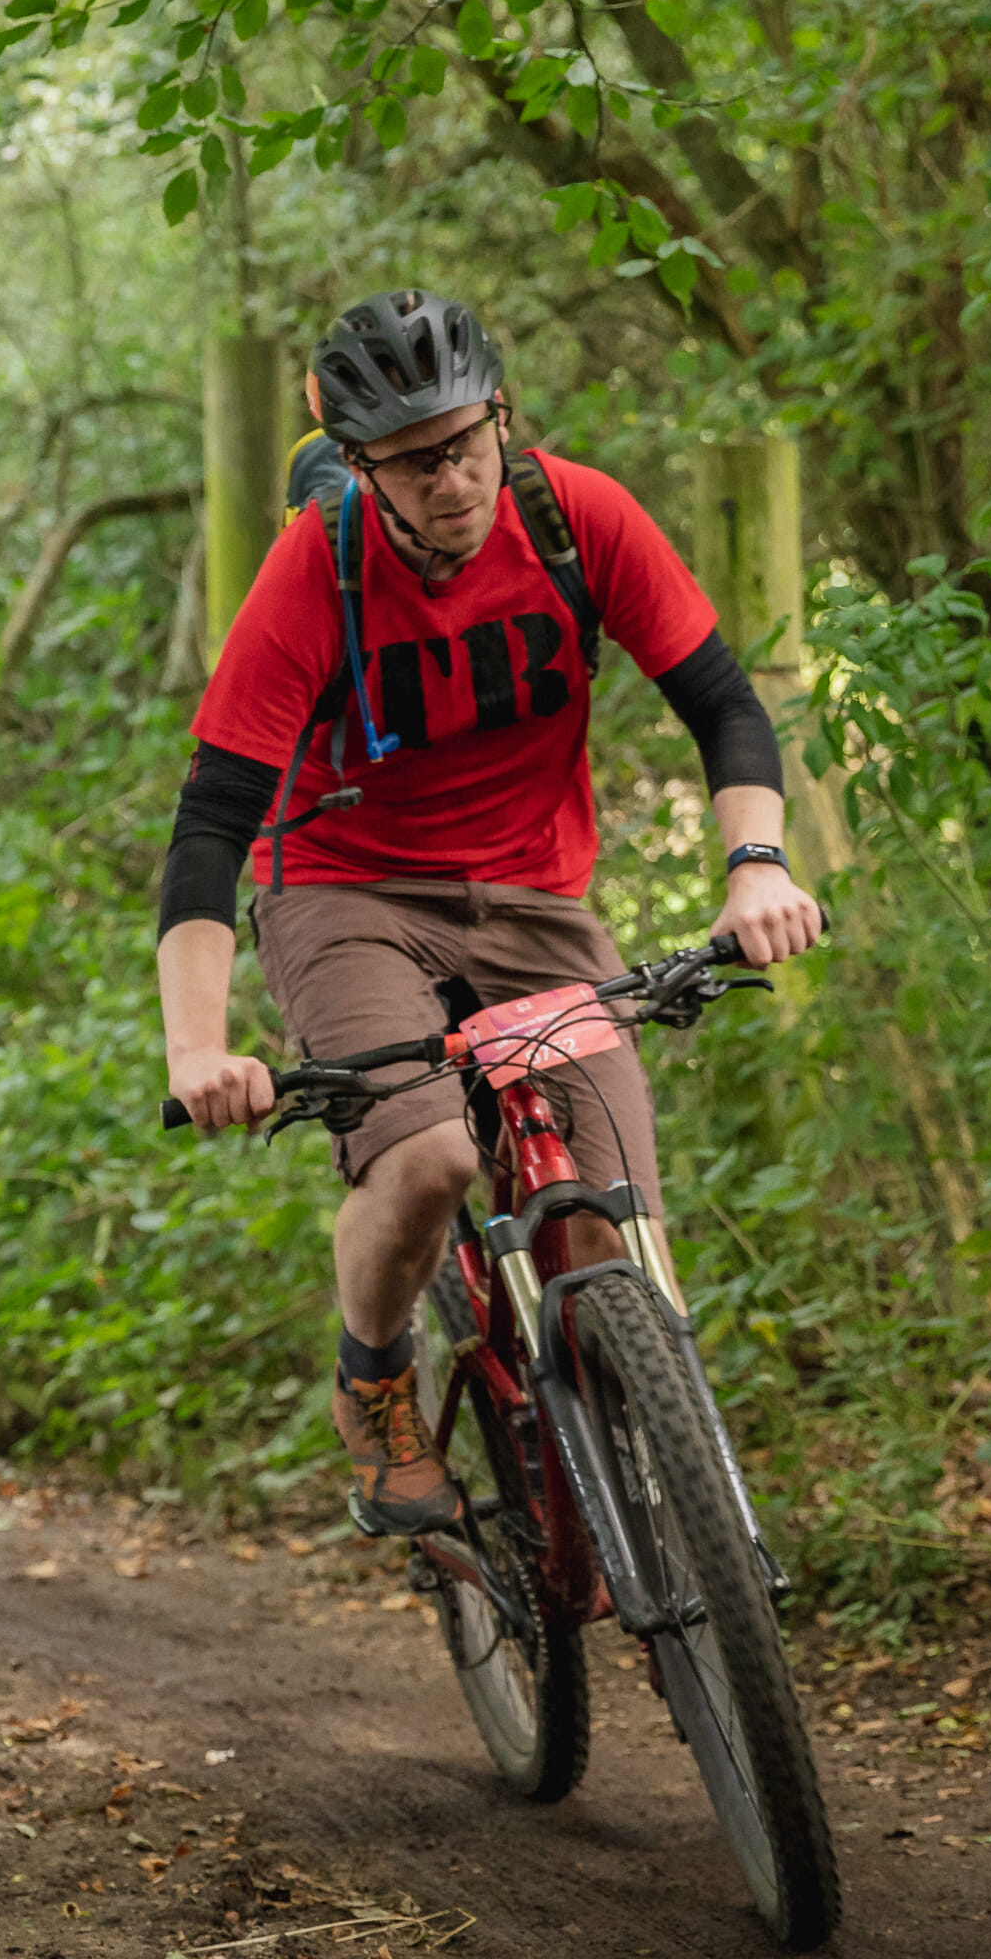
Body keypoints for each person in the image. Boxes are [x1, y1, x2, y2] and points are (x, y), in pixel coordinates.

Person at [156, 290, 826, 1537]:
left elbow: (724, 705)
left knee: (620, 1225)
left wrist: (756, 863)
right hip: (347, 892)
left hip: (533, 900)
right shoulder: (315, 572)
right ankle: (375, 1384)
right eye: (414, 462)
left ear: (500, 418)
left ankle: (647, 1456)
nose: (452, 478)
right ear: (360, 468)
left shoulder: (577, 517)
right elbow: (210, 829)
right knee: (430, 1158)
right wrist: (198, 1048)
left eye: (468, 441)